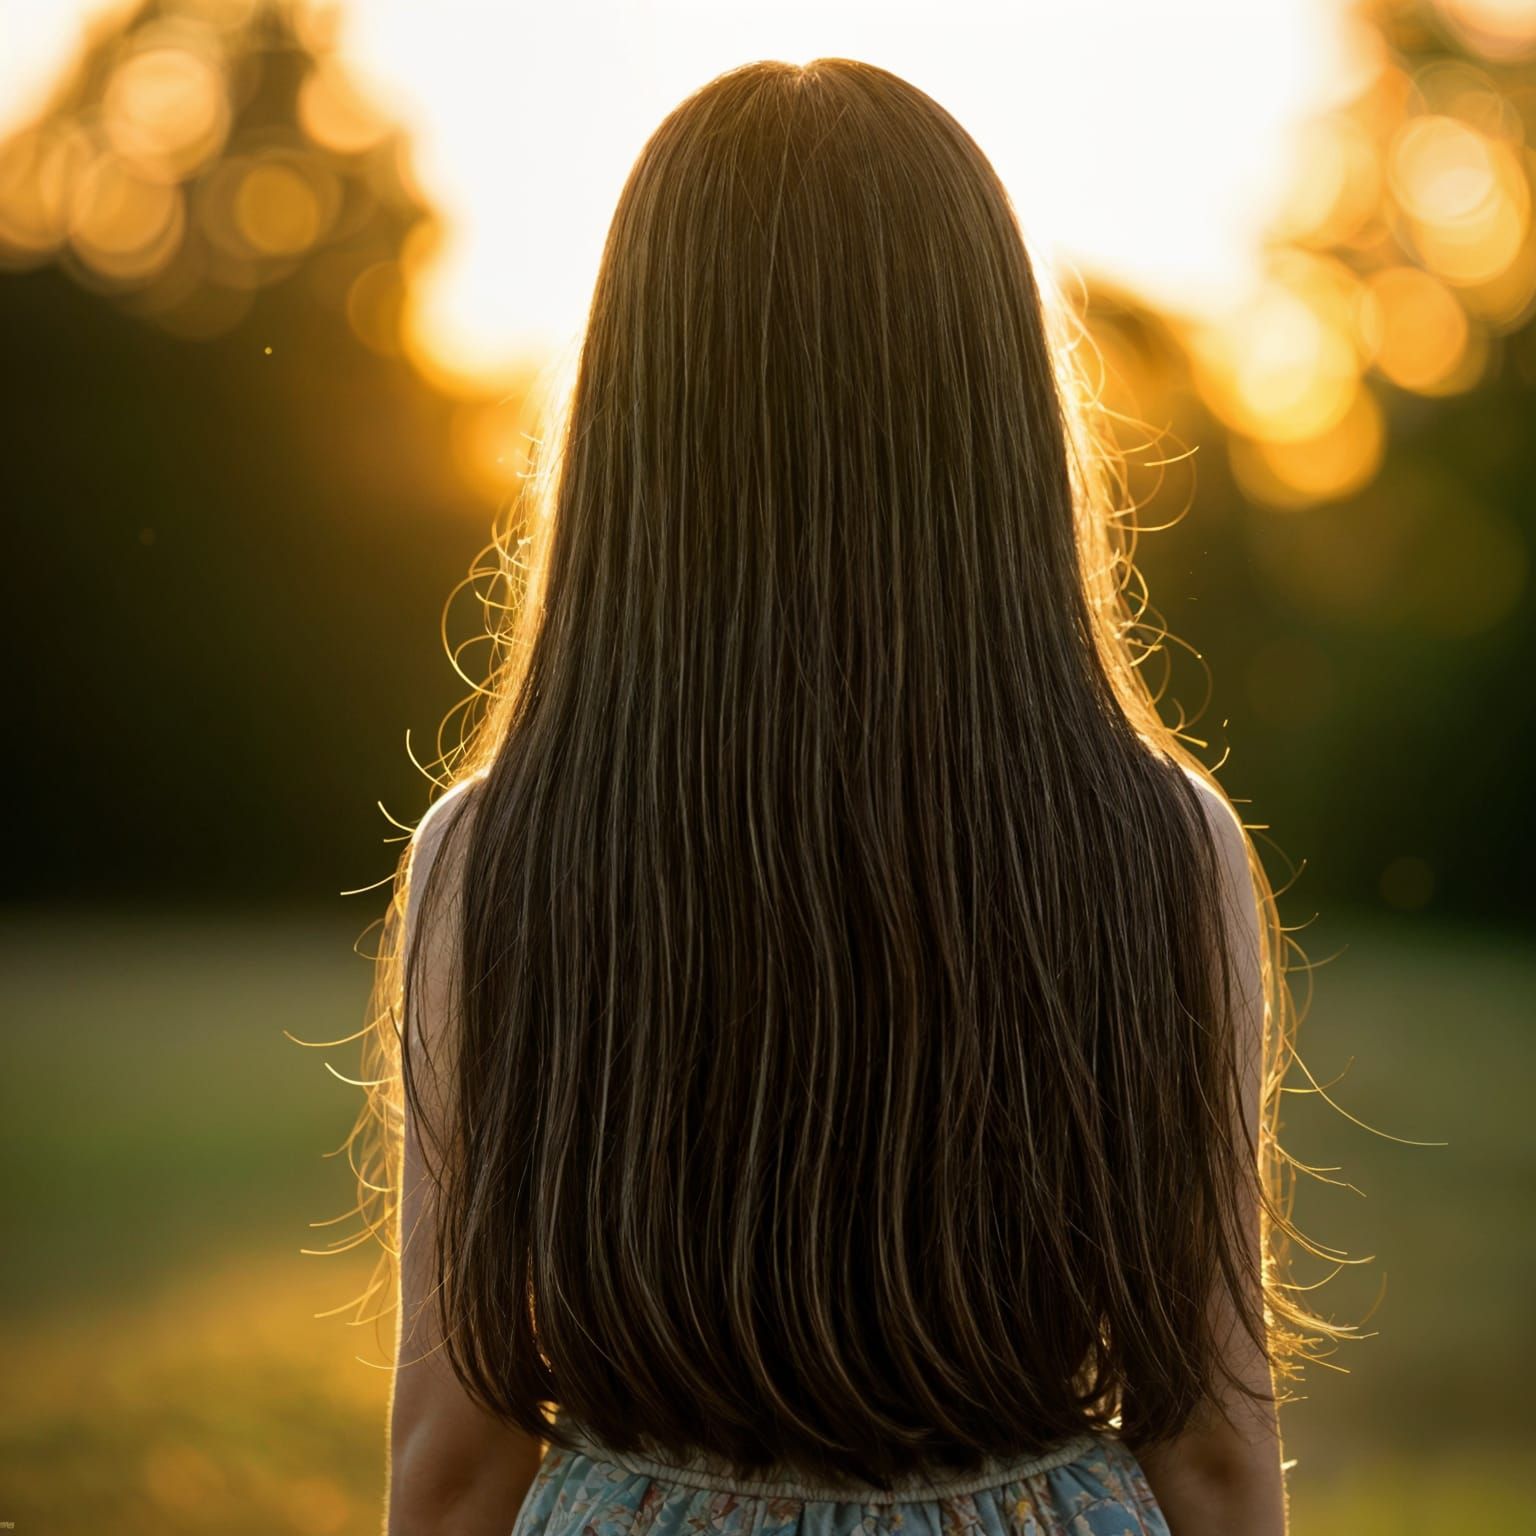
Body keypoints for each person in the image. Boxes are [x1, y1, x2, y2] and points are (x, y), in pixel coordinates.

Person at [361, 56, 1346, 1536]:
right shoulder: (1166, 843)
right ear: (997, 406)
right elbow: (1210, 1447)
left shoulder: (492, 856)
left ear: (637, 407)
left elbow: (452, 1462)